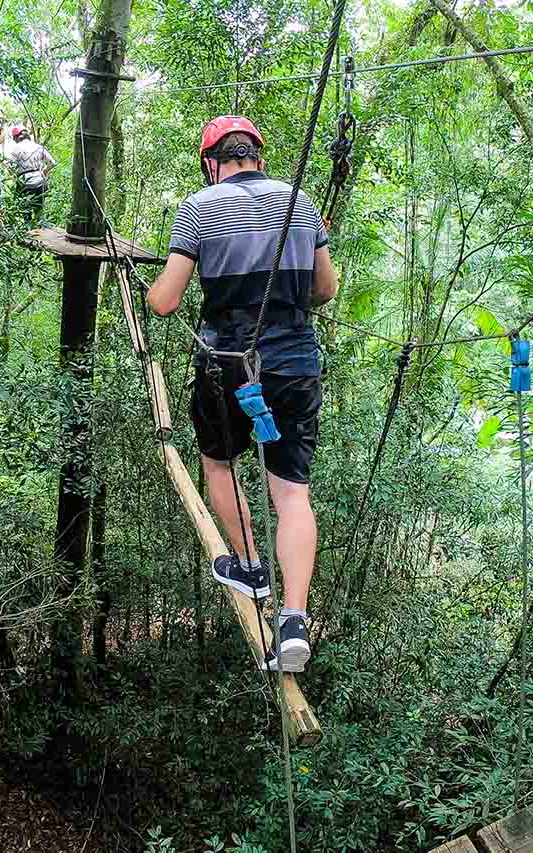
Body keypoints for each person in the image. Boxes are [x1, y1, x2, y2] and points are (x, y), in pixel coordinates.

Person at [146, 115, 339, 673]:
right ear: (256, 155)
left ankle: (250, 567)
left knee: (219, 462)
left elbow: (164, 302)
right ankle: (295, 619)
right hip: (295, 361)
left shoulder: (199, 207)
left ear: (213, 162)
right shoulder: (300, 204)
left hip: (227, 364)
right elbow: (324, 288)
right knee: (293, 493)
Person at [3, 125, 56, 224]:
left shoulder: (15, 149)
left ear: (16, 138)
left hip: (25, 183)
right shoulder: (39, 147)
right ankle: (42, 233)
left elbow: (9, 167)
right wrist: (43, 172)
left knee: (26, 215)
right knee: (39, 214)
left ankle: (29, 233)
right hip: (40, 182)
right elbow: (52, 163)